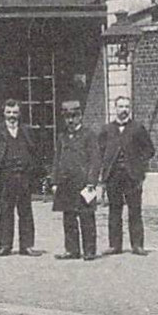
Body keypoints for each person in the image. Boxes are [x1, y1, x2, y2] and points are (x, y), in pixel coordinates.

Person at [99, 94, 154, 255]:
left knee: (134, 210)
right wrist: (104, 171)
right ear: (115, 109)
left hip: (132, 176)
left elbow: (149, 150)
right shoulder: (107, 129)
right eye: (121, 106)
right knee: (114, 210)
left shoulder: (137, 128)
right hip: (113, 176)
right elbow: (100, 151)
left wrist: (138, 164)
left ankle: (137, 245)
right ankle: (115, 245)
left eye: (126, 107)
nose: (124, 110)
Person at [0, 99, 41, 256]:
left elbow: (34, 150)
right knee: (5, 210)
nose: (12, 116)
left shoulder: (27, 130)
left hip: (23, 176)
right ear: (4, 113)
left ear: (20, 113)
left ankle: (27, 246)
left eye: (15, 113)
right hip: (6, 177)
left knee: (25, 210)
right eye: (9, 112)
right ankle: (5, 245)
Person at [51, 100, 102, 261]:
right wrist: (54, 181)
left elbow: (95, 160)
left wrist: (91, 182)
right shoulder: (62, 137)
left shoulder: (89, 135)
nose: (71, 121)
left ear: (80, 116)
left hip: (84, 184)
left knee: (86, 217)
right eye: (67, 117)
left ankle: (89, 250)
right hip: (66, 183)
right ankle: (72, 250)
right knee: (69, 217)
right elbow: (57, 159)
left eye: (74, 116)